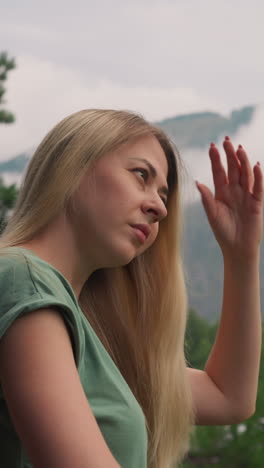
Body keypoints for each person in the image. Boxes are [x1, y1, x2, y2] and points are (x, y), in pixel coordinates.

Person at [0, 109, 262, 468]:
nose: (160, 208)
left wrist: (241, 257)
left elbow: (228, 397)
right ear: (74, 166)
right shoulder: (24, 280)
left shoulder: (83, 329)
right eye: (141, 175)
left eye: (164, 194)